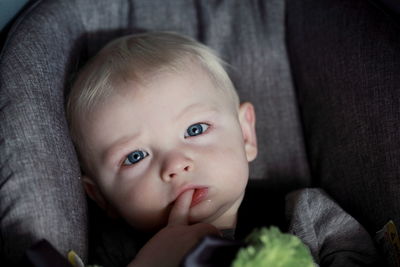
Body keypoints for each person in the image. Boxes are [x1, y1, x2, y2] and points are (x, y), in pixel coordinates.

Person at [66, 32, 380, 267]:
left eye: (195, 130)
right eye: (135, 156)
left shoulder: (307, 216)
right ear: (101, 197)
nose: (176, 164)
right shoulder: (114, 255)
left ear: (246, 135)